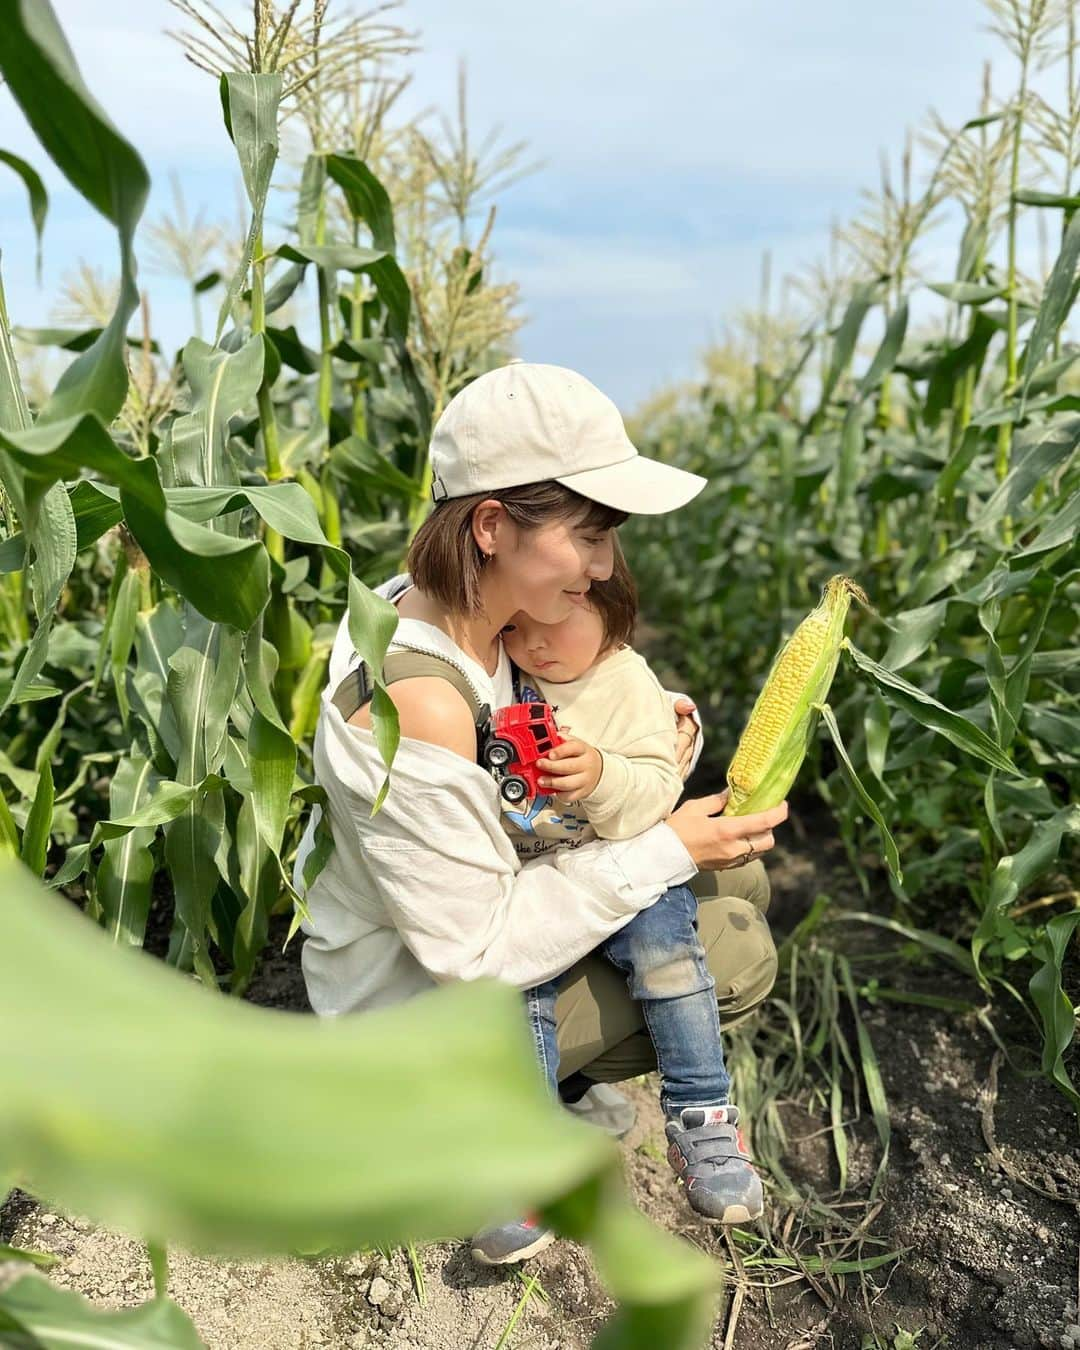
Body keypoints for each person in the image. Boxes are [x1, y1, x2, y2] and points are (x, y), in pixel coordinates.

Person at [296, 361, 787, 1265]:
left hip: (467, 919)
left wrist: (644, 724)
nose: (607, 566)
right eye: (591, 535)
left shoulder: (459, 606)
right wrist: (664, 844)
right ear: (490, 526)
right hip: (419, 1009)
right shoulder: (418, 704)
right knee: (733, 946)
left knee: (736, 870)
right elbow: (476, 953)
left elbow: (550, 699)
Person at [496, 559, 762, 1231]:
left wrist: (603, 774)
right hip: (535, 889)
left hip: (624, 863)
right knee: (522, 1000)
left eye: (554, 619)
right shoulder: (508, 675)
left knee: (668, 961)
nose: (533, 640)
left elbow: (654, 790)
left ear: (612, 622)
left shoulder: (628, 683)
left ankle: (702, 1119)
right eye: (517, 624)